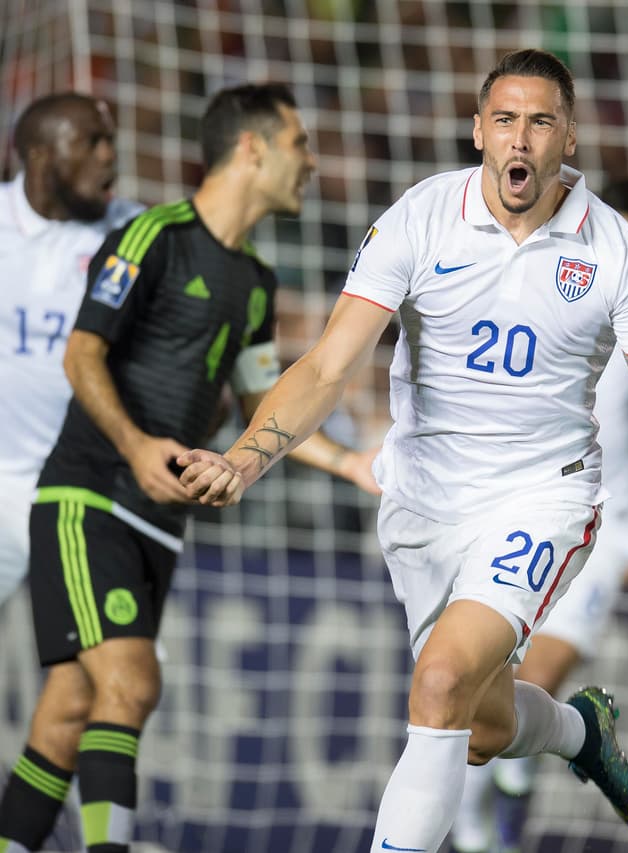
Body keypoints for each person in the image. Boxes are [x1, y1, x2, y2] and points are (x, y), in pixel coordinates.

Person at [177, 49, 628, 853]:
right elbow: (328, 365)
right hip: (425, 503)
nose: (521, 140)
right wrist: (245, 459)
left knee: (436, 684)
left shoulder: (613, 252)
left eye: (541, 122)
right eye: (505, 120)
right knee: (478, 725)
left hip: (544, 498)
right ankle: (581, 735)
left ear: (569, 138)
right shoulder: (419, 218)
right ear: (478, 132)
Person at [0, 82, 379, 853]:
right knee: (134, 682)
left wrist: (353, 465)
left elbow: (257, 407)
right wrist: (137, 445)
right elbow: (82, 354)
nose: (312, 161)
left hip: (159, 523)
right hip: (88, 494)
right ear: (252, 148)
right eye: (300, 143)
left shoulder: (257, 284)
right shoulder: (153, 236)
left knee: (72, 709)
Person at [449, 175, 628, 853]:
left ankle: (491, 824)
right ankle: (506, 795)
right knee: (479, 692)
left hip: (607, 523)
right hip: (525, 510)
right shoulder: (547, 282)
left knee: (537, 675)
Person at [0, 93, 140, 611]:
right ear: (39, 154)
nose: (109, 156)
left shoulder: (135, 233)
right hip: (0, 479)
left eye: (111, 141)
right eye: (92, 142)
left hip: (84, 488)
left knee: (107, 679)